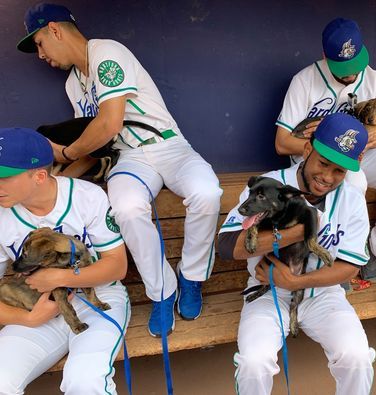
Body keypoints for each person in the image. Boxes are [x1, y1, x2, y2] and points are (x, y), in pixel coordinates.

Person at [17, 3, 223, 336]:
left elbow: (109, 123)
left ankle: (192, 277)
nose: (40, 54)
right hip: (129, 158)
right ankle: (162, 291)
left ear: (55, 30)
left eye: (39, 43)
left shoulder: (106, 51)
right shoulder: (74, 85)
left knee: (207, 192)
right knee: (126, 207)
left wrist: (65, 153)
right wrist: (55, 181)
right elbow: (95, 143)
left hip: (169, 146)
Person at [218, 113, 374, 394]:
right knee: (254, 362)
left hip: (323, 294)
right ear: (306, 149)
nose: (327, 177)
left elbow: (350, 266)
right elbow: (227, 246)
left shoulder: (351, 199)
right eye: (323, 163)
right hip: (267, 291)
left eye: (339, 171)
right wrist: (295, 233)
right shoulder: (269, 185)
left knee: (357, 358)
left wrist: (295, 282)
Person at [274, 17, 376, 282]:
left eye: (354, 63)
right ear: (325, 55)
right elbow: (282, 143)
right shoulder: (305, 80)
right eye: (342, 65)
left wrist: (360, 138)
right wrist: (325, 147)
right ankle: (340, 262)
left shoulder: (375, 78)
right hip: (316, 162)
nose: (350, 72)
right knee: (352, 180)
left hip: (361, 155)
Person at [0, 127, 129, 394]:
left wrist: (59, 277)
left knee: (85, 381)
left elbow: (117, 265)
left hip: (96, 298)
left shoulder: (87, 196)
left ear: (38, 176)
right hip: (35, 308)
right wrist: (27, 319)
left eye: (4, 177)